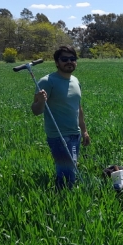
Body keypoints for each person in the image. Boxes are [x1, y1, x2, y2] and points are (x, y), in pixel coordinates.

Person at [31, 45, 91, 190]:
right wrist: (40, 101)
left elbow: (78, 107)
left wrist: (84, 131)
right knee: (67, 176)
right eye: (64, 59)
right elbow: (36, 111)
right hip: (58, 136)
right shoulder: (47, 81)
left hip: (75, 134)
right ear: (57, 62)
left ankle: (65, 198)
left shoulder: (75, 81)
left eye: (72, 59)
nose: (69, 62)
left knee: (72, 170)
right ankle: (62, 201)